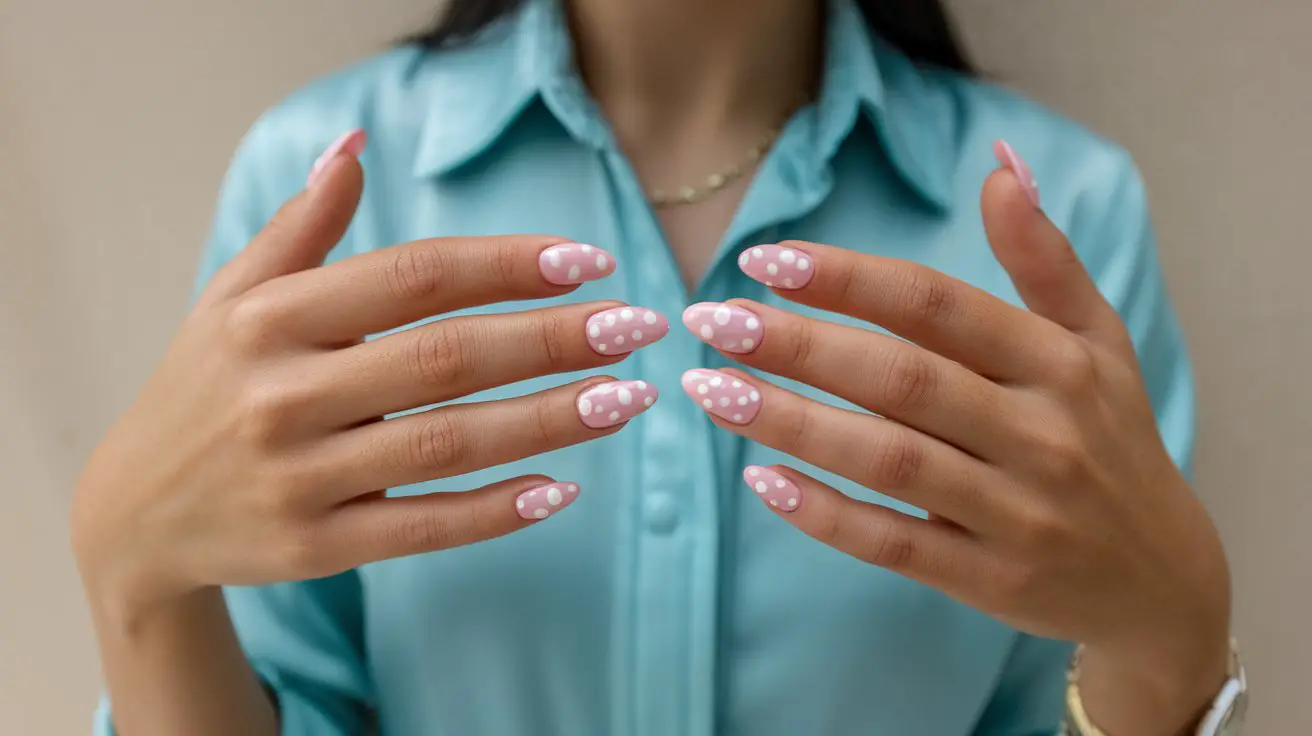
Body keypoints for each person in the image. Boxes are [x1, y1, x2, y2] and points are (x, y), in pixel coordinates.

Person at [74, 0, 1246, 733]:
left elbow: (1061, 699)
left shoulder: (1057, 217)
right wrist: (134, 586)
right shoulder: (325, 179)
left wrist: (1174, 650)